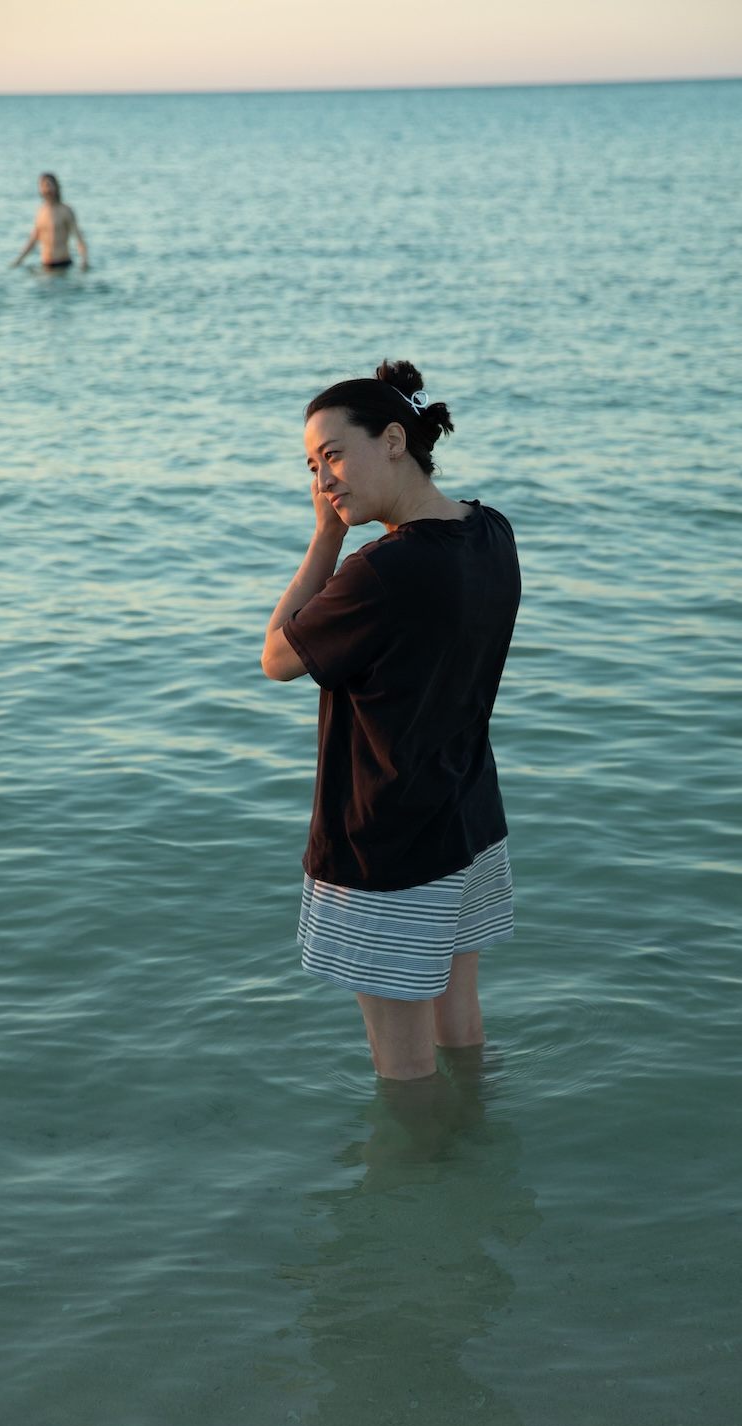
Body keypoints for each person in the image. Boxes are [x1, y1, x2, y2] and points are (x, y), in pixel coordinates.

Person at [262, 360, 520, 1081]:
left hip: (388, 849)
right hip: (465, 821)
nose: (324, 481)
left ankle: (415, 1188)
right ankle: (478, 1163)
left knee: (403, 1075)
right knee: (459, 1028)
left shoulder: (381, 571)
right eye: (313, 467)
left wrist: (326, 539)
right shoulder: (492, 532)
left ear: (397, 441)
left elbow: (278, 657)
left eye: (335, 455)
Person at [10, 173, 88, 272]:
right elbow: (33, 240)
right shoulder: (40, 212)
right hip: (45, 266)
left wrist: (85, 260)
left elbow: (78, 237)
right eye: (43, 186)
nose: (47, 189)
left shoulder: (65, 210)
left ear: (56, 187)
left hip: (63, 265)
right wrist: (19, 260)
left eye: (49, 185)